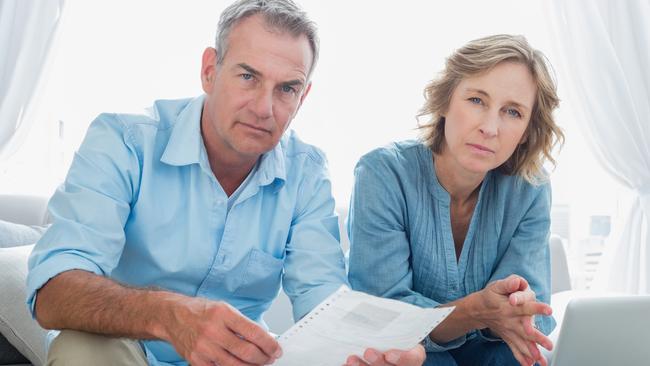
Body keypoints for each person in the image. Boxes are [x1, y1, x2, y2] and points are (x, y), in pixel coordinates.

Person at [26, 1, 424, 365]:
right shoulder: (124, 142)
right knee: (80, 348)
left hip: (237, 358)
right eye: (248, 76)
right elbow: (52, 291)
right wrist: (170, 316)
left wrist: (375, 349)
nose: (264, 109)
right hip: (128, 347)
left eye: (287, 88)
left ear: (303, 98)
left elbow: (321, 298)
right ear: (209, 71)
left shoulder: (307, 172)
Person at [347, 34, 565, 366]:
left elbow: (527, 317)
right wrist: (478, 311)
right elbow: (385, 315)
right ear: (445, 100)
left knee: (517, 355)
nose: (490, 128)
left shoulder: (529, 188)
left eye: (513, 112)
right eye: (477, 100)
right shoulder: (383, 173)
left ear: (526, 131)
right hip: (406, 355)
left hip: (491, 355)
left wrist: (517, 311)